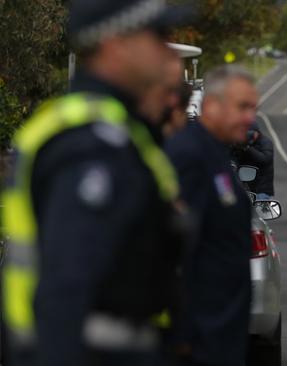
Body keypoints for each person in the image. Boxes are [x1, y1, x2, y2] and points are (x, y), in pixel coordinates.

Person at [1, 1, 193, 365]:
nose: (167, 49)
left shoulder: (119, 129)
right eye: (158, 35)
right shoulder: (91, 143)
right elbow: (66, 287)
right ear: (114, 44)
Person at [164, 65, 257, 366]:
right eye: (242, 107)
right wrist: (183, 338)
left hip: (221, 335)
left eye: (253, 108)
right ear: (212, 106)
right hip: (199, 340)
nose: (250, 118)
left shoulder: (215, 155)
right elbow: (173, 252)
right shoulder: (189, 156)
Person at [232, 123, 275, 199]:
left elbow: (265, 159)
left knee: (259, 209)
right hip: (244, 186)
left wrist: (248, 148)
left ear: (257, 132)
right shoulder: (240, 142)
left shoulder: (265, 142)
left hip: (261, 188)